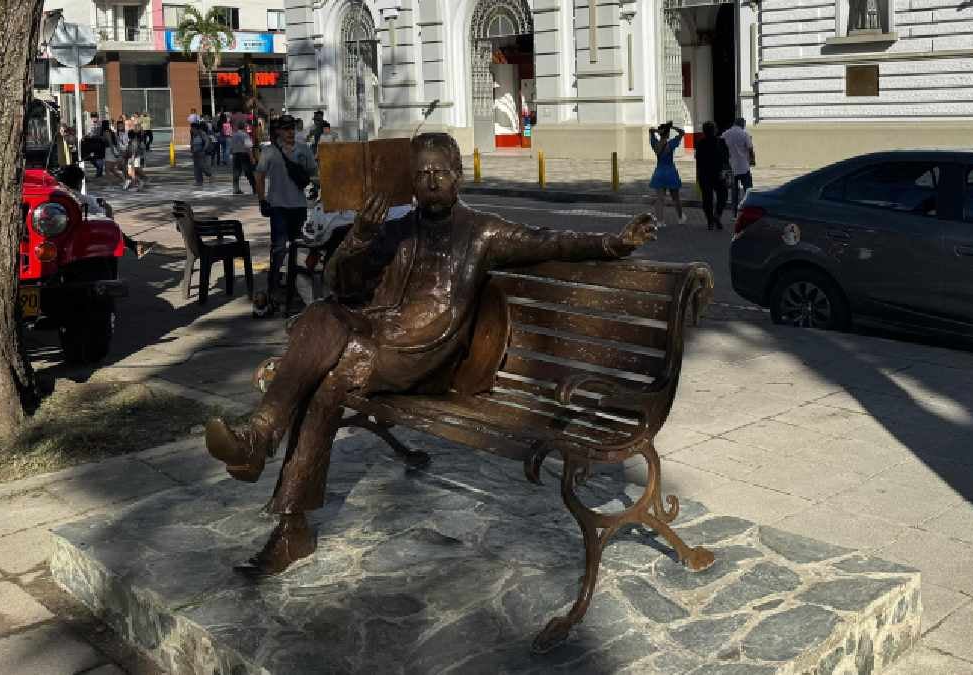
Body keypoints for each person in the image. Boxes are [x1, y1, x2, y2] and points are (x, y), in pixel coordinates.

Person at [204, 132, 658, 575]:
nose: (433, 181)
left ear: (459, 176)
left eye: (441, 172)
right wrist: (360, 235)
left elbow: (551, 240)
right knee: (325, 333)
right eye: (422, 175)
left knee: (328, 368)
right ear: (412, 183)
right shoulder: (398, 231)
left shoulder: (483, 232)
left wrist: (612, 243)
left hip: (426, 359)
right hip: (378, 343)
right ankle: (275, 479)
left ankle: (267, 453)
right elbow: (341, 283)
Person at [255, 114, 317, 307]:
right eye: (286, 128)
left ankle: (298, 288)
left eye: (292, 128)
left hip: (299, 207)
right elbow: (259, 176)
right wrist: (262, 200)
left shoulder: (303, 150)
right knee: (279, 249)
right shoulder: (269, 151)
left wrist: (315, 187)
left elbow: (314, 173)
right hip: (278, 207)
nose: (290, 132)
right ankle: (273, 288)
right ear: (279, 131)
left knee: (300, 250)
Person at [56, 164, 154, 258]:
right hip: (83, 238)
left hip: (62, 237)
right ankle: (133, 245)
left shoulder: (54, 200)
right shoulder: (87, 200)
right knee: (107, 222)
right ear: (79, 183)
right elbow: (105, 218)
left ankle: (134, 245)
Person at [649, 122, 687, 226]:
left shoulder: (655, 143)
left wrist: (657, 131)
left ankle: (660, 221)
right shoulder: (671, 144)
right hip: (670, 173)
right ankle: (680, 218)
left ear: (660, 133)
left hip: (659, 172)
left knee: (660, 199)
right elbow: (682, 133)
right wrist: (671, 127)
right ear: (668, 133)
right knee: (676, 198)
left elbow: (650, 130)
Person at [694, 121, 729, 230]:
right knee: (723, 196)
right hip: (718, 174)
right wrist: (725, 172)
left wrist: (698, 176)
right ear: (715, 130)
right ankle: (717, 215)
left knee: (707, 199)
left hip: (704, 175)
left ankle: (710, 221)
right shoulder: (721, 142)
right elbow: (726, 158)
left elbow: (698, 160)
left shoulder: (700, 143)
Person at [721, 117, 755, 215]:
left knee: (734, 191)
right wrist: (752, 160)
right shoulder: (744, 134)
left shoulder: (725, 134)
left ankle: (734, 214)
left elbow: (722, 148)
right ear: (742, 124)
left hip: (731, 167)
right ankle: (748, 211)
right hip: (744, 166)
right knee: (748, 190)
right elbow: (750, 149)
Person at [230, 123, 256, 194]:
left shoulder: (234, 135)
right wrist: (252, 157)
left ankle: (236, 189)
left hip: (235, 154)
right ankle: (255, 188)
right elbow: (248, 146)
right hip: (243, 154)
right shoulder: (245, 135)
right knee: (248, 172)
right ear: (244, 127)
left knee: (236, 173)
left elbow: (231, 147)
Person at [189, 122, 212, 187]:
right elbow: (192, 143)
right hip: (195, 152)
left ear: (195, 128)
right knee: (196, 168)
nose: (191, 129)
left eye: (192, 128)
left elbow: (207, 141)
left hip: (201, 152)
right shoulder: (193, 134)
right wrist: (192, 151)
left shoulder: (202, 133)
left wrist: (204, 149)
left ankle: (209, 174)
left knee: (201, 166)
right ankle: (199, 181)